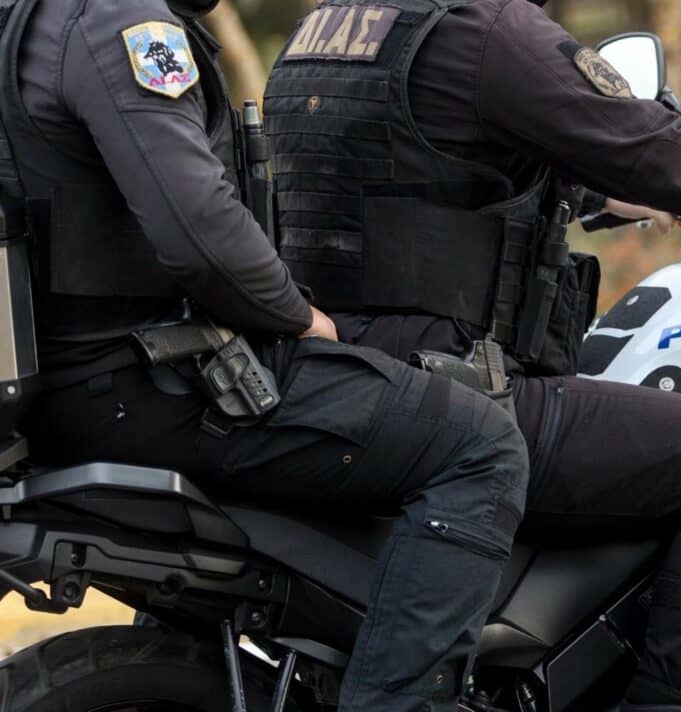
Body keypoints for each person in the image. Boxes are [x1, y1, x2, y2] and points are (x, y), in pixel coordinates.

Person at [264, 1, 681, 709]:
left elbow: (414, 172)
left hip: (339, 380)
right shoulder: (487, 33)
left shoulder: (326, 30)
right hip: (456, 394)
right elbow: (668, 151)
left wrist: (601, 198)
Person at [5, 1, 529, 711]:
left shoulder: (29, 19)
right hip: (141, 381)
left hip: (68, 383)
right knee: (479, 443)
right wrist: (300, 317)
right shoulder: (122, 23)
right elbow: (198, 228)